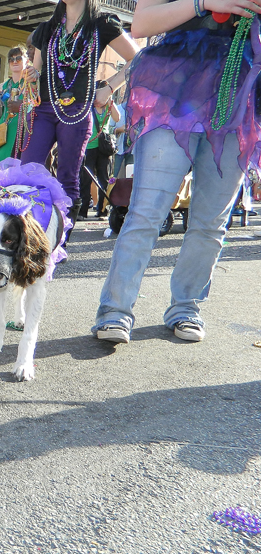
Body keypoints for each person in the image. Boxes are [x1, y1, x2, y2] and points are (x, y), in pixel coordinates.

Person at [93, 0, 261, 344]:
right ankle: (115, 311)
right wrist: (204, 2)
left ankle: (186, 307)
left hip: (238, 89)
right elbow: (141, 23)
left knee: (211, 220)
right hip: (175, 83)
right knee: (146, 212)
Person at [21, 0, 138, 239]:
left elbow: (137, 58)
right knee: (28, 170)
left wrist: (109, 87)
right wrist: (32, 75)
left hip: (77, 112)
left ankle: (59, 241)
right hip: (44, 108)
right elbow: (37, 72)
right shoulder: (47, 28)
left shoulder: (101, 24)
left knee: (67, 176)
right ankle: (28, 234)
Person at [77, 81, 113, 220]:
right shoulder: (89, 106)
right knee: (85, 179)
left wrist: (110, 102)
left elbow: (117, 118)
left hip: (104, 148)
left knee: (104, 179)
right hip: (89, 146)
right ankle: (82, 211)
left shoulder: (108, 106)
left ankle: (102, 210)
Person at [0, 45, 28, 166]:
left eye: (19, 58)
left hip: (22, 131)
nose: (15, 61)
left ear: (27, 60)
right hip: (4, 132)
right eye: (11, 59)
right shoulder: (3, 86)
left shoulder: (31, 85)